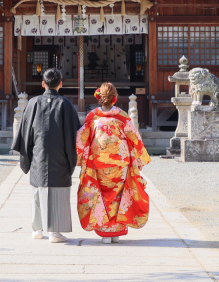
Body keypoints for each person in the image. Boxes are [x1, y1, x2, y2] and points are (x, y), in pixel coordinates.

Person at [11, 68, 81, 243]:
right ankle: (55, 232)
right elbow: (76, 133)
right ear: (60, 84)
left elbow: (24, 132)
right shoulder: (65, 104)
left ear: (43, 84)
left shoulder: (33, 103)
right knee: (58, 191)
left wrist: (27, 155)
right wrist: (74, 157)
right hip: (61, 156)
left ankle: (37, 229)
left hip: (38, 156)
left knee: (38, 190)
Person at [76, 82, 151, 244]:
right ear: (115, 98)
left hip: (99, 163)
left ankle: (105, 231)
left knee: (102, 195)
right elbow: (135, 137)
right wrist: (139, 159)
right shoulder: (122, 117)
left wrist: (78, 158)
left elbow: (82, 138)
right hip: (120, 164)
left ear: (99, 97)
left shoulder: (93, 117)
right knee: (118, 196)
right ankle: (115, 231)